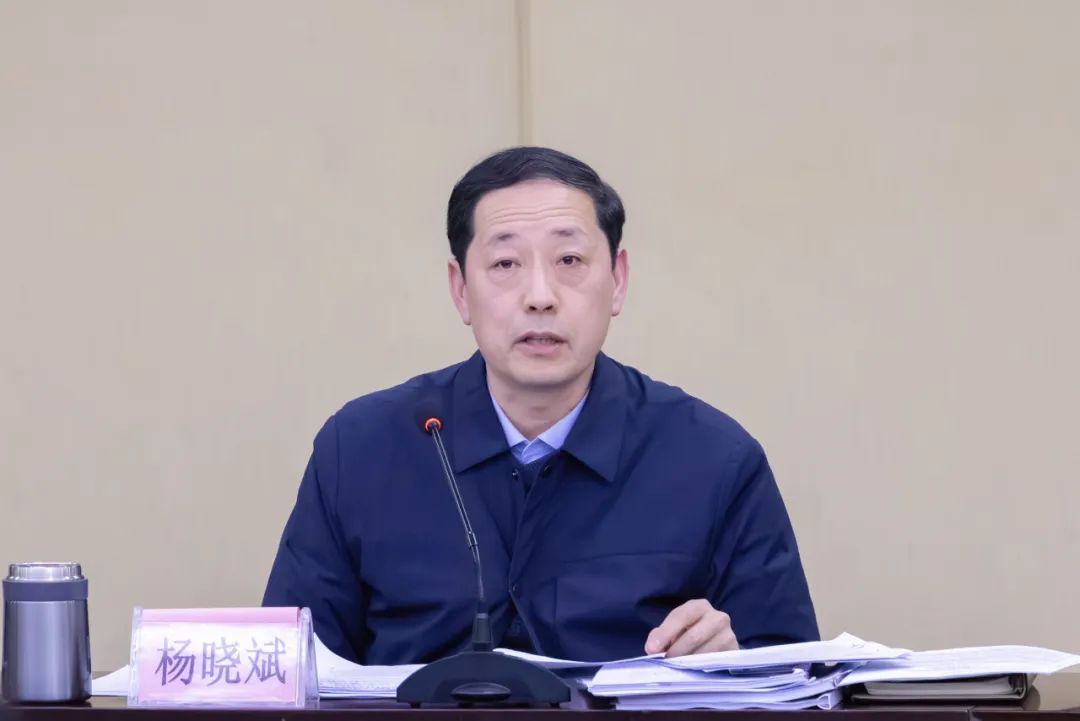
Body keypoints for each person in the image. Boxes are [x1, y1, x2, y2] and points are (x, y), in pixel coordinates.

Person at [263, 146, 818, 664]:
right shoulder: (360, 450)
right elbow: (286, 676)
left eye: (569, 259)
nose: (540, 296)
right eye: (505, 264)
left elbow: (797, 679)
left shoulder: (714, 460)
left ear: (618, 280)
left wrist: (734, 665)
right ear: (461, 289)